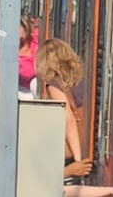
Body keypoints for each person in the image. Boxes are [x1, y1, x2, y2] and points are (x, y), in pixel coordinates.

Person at [33, 38, 91, 182]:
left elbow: (68, 119)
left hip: (70, 155)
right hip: (87, 146)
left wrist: (78, 161)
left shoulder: (54, 85)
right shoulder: (82, 81)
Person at [0, 16, 38, 99]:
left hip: (36, 92)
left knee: (35, 83)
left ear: (26, 28)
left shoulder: (36, 46)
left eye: (17, 26)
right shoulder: (5, 50)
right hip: (17, 92)